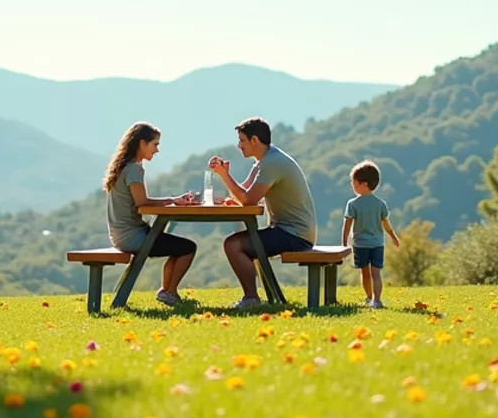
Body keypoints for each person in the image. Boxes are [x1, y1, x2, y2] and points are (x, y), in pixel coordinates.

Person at [209, 117, 317, 309]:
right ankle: (253, 297)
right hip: (290, 231)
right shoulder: (265, 161)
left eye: (242, 141)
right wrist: (226, 183)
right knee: (239, 243)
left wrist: (225, 176)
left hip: (295, 234)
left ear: (255, 140)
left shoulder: (272, 163)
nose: (239, 145)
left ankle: (251, 299)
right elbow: (244, 193)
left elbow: (248, 200)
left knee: (233, 245)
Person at [104, 122, 198, 307]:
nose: (157, 150)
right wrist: (174, 200)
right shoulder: (133, 169)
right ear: (141, 143)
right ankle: (169, 292)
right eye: (155, 144)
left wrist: (174, 200)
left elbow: (142, 202)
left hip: (122, 234)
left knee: (179, 248)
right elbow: (142, 203)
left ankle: (167, 291)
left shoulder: (127, 166)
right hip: (131, 237)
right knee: (188, 248)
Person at [342, 160, 402, 308]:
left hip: (360, 244)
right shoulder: (381, 204)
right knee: (376, 273)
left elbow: (347, 224)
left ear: (364, 184)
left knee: (365, 273)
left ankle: (369, 297)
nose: (352, 185)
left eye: (354, 182)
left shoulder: (353, 204)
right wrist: (393, 237)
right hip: (377, 244)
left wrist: (344, 242)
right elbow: (386, 224)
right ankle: (377, 300)